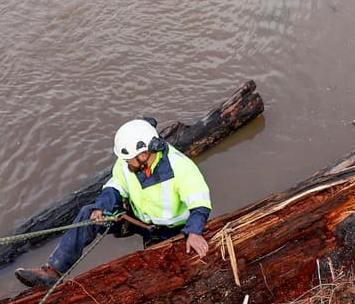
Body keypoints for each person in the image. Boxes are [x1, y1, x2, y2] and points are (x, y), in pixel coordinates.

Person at [15, 118, 213, 288]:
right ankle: (53, 271)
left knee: (161, 270)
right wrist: (102, 207)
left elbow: (200, 203)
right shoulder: (128, 162)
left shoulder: (181, 167)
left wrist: (194, 232)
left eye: (129, 161)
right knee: (88, 213)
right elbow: (116, 185)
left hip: (170, 230)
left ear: (144, 154)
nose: (125, 164)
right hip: (137, 219)